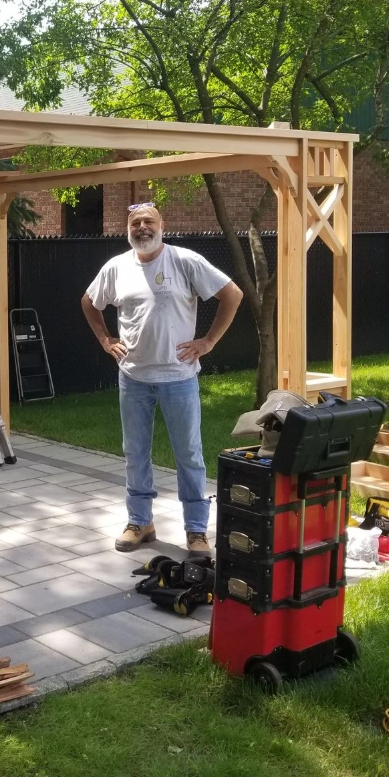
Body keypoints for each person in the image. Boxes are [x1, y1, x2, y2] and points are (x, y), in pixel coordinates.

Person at [81, 202, 243, 554]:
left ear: (162, 225)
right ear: (128, 229)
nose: (142, 227)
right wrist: (106, 340)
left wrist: (208, 341)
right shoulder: (116, 267)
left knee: (189, 455)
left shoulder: (185, 261)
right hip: (133, 377)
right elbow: (89, 302)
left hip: (178, 377)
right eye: (135, 222)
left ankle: (196, 530)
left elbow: (232, 294)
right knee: (135, 453)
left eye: (148, 221)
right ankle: (140, 522)